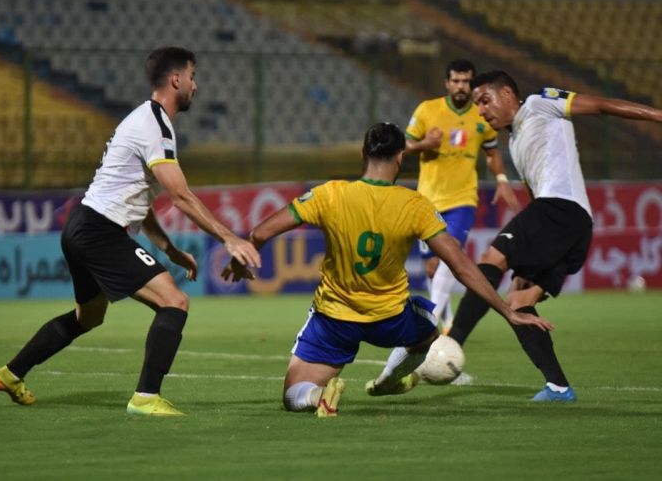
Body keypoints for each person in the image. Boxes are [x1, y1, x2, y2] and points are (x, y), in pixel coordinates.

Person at [0, 46, 261, 416]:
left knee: (89, 317)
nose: (195, 86)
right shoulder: (155, 125)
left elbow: (138, 202)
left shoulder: (143, 120)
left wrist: (170, 250)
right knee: (175, 301)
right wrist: (230, 238)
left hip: (81, 226)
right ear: (176, 79)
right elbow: (180, 196)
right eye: (192, 77)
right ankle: (146, 396)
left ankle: (10, 374)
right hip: (100, 232)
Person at [222, 122, 552, 417]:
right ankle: (392, 378)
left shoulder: (330, 194)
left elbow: (260, 233)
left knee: (293, 393)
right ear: (400, 157)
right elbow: (460, 265)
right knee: (428, 326)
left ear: (363, 153)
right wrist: (508, 311)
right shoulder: (414, 205)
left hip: (335, 318)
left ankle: (317, 396)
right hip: (390, 320)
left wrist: (240, 260)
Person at [446, 71, 662, 402]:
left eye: (485, 101)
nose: (481, 111)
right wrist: (533, 250)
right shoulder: (514, 143)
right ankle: (559, 387)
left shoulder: (539, 103)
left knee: (492, 258)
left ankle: (451, 343)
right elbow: (534, 196)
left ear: (507, 95)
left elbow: (602, 105)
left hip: (562, 211)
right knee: (518, 302)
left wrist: (657, 115)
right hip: (568, 228)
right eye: (477, 106)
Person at [404, 59, 520, 330]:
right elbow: (404, 145)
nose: (461, 86)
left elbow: (492, 152)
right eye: (456, 81)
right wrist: (425, 144)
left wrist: (502, 179)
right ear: (447, 83)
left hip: (463, 199)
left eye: (466, 81)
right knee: (433, 267)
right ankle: (446, 319)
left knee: (452, 253)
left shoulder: (482, 115)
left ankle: (431, 323)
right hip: (428, 200)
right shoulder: (427, 110)